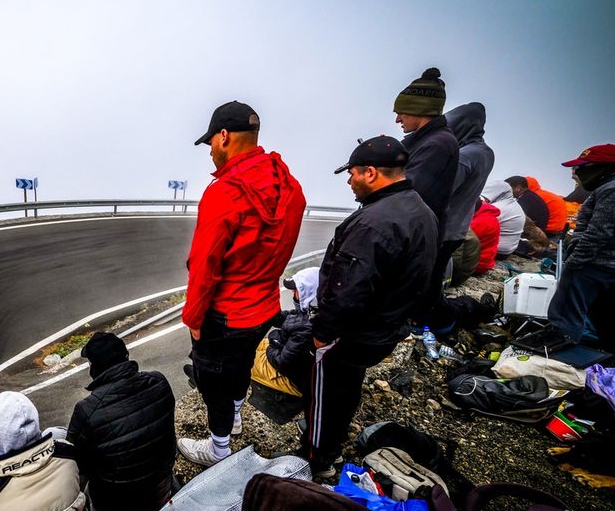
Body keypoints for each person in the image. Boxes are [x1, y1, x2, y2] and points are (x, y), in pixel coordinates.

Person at [178, 101, 306, 467]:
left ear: (223, 136)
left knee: (213, 380)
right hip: (265, 306)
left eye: (212, 145)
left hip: (225, 313)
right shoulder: (291, 187)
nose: (212, 154)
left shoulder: (224, 193)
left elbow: (204, 267)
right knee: (241, 366)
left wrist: (194, 320)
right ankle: (234, 416)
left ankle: (218, 450)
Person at [304, 136, 437, 477]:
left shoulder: (374, 222)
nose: (349, 181)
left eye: (352, 174)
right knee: (347, 387)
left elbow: (347, 288)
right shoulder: (420, 209)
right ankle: (329, 444)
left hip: (354, 331)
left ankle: (315, 459)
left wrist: (323, 332)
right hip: (385, 327)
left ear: (371, 173)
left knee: (327, 394)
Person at [66, 332, 177, 511]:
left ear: (94, 368)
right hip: (162, 493)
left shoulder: (87, 410)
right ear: (126, 356)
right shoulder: (159, 382)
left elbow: (75, 463)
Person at [393, 68, 460, 332]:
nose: (397, 119)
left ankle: (424, 327)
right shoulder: (428, 140)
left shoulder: (437, 144)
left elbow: (409, 191)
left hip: (418, 232)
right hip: (422, 228)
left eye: (402, 112)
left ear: (419, 112)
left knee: (416, 289)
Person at [546, 144, 615, 350]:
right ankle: (606, 359)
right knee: (606, 318)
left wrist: (575, 262)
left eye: (582, 166)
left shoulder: (610, 190)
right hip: (606, 265)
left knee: (565, 316)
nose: (576, 172)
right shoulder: (606, 188)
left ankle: (558, 355)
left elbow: (599, 232)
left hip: (593, 264)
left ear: (601, 167)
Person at [250, 266, 320, 397]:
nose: (293, 294)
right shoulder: (313, 312)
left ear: (311, 293)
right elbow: (287, 317)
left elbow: (283, 363)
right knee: (256, 345)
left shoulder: (306, 327)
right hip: (292, 358)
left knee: (246, 359)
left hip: (297, 382)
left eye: (297, 290)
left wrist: (273, 341)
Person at [443, 102, 495, 254]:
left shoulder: (464, 156)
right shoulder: (486, 152)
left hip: (445, 229)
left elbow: (441, 192)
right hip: (460, 227)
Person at [481, 179, 524, 256]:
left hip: (497, 251)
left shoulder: (497, 208)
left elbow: (478, 227)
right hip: (508, 250)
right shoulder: (513, 205)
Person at [470, 199, 501, 275]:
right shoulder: (487, 215)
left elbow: (464, 240)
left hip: (478, 264)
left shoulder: (481, 222)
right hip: (485, 260)